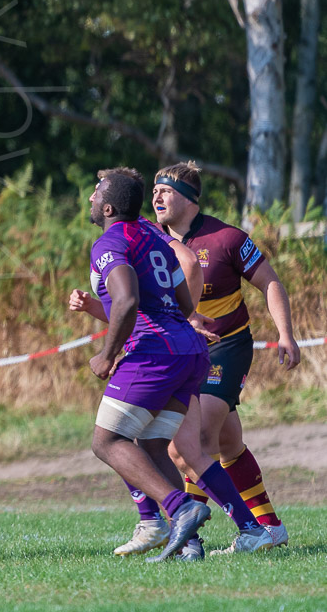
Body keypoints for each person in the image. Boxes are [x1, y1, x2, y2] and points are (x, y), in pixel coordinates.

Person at [69, 168, 271, 562]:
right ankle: (201, 541)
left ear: (109, 207)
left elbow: (126, 301)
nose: (91, 199)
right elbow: (182, 301)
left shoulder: (108, 243)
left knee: (107, 441)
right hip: (188, 351)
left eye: (95, 194)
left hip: (153, 354)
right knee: (155, 446)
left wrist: (107, 355)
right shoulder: (155, 239)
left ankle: (178, 509)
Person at [152, 162, 296, 550]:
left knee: (193, 441)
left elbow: (270, 283)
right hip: (183, 354)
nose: (156, 197)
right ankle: (270, 527)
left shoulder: (226, 238)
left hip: (226, 347)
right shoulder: (151, 243)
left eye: (164, 190)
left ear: (188, 197)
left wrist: (285, 334)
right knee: (228, 442)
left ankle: (192, 538)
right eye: (153, 190)